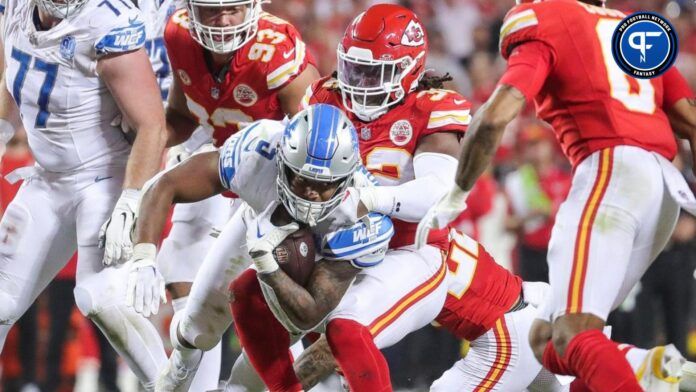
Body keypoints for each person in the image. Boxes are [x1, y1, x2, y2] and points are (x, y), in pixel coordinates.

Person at [417, 0, 696, 390]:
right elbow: (690, 121)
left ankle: (644, 369)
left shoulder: (545, 18)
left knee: (571, 336)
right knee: (547, 340)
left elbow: (495, 116)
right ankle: (644, 366)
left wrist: (457, 192)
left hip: (610, 171)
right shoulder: (636, 27)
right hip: (665, 186)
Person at [108, 1, 319, 388]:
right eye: (210, 10)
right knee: (183, 270)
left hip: (272, 173)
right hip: (213, 155)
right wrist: (140, 140)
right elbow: (184, 116)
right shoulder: (179, 33)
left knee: (272, 297)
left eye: (234, 9)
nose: (222, 20)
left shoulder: (277, 50)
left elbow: (314, 135)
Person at [124, 104, 396, 391]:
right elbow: (166, 184)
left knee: (255, 375)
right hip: (258, 221)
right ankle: (179, 367)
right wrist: (143, 256)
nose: (310, 194)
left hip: (318, 262)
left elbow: (310, 312)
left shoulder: (363, 217)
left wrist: (268, 267)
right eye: (301, 179)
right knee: (198, 328)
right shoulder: (260, 150)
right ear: (282, 161)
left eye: (324, 184)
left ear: (346, 180)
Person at [0, 0, 169, 389]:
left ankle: (172, 386)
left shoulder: (105, 22)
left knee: (101, 299)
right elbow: (16, 70)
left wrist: (130, 200)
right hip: (47, 178)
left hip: (104, 177)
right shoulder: (16, 8)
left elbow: (152, 126)